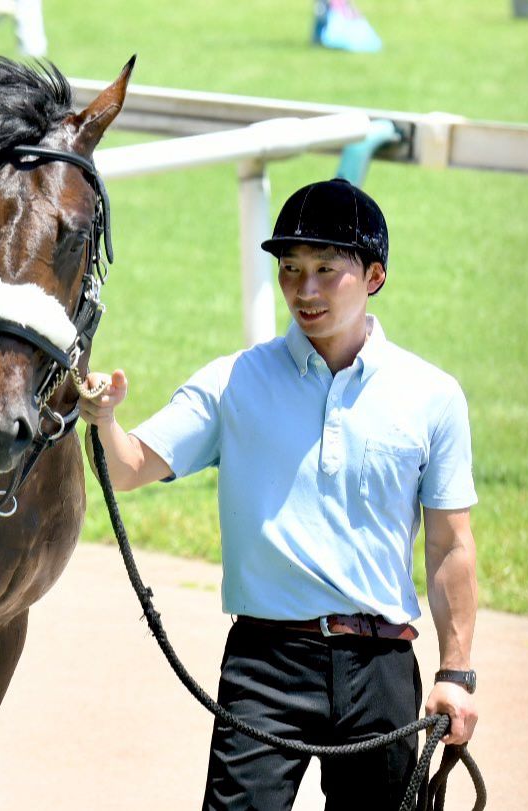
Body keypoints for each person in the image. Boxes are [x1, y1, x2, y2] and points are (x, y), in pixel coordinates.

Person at [80, 178, 479, 809]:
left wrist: (455, 676)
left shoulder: (433, 396)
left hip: (380, 668)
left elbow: (450, 546)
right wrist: (103, 419)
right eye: (290, 270)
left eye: (326, 269)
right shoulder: (232, 381)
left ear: (374, 275)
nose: (305, 290)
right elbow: (128, 468)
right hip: (265, 666)